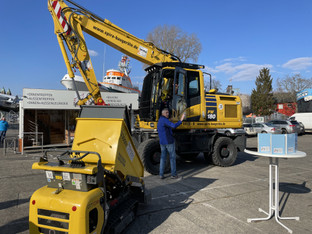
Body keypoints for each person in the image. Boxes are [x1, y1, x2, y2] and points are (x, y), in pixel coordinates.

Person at [157, 108, 185, 179]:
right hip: (169, 142)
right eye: (166, 113)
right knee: (172, 158)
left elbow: (167, 127)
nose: (168, 114)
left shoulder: (160, 120)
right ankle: (173, 174)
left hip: (162, 142)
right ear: (163, 113)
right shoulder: (165, 120)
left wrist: (170, 121)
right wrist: (181, 120)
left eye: (168, 113)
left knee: (163, 158)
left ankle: (161, 174)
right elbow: (174, 126)